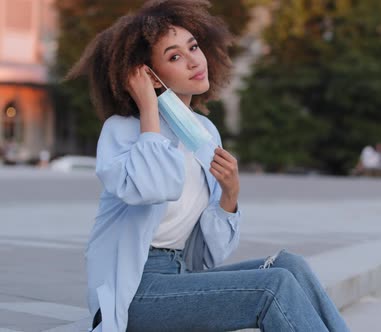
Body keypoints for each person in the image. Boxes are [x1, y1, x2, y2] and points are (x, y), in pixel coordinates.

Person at [65, 1, 350, 331]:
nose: (193, 61)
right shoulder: (122, 131)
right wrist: (148, 108)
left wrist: (229, 196)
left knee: (291, 267)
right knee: (273, 287)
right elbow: (156, 187)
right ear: (148, 75)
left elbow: (202, 257)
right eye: (174, 56)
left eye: (194, 47)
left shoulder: (204, 133)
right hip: (131, 292)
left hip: (177, 278)